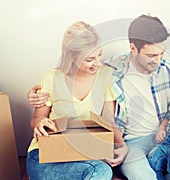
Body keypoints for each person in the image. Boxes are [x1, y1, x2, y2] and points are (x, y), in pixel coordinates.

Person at [28, 15, 170, 179]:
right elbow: (71, 84)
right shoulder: (112, 72)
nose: (159, 60)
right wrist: (35, 97)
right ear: (133, 48)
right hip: (135, 142)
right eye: (152, 55)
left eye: (162, 53)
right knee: (139, 173)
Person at [26, 21, 114, 180]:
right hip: (44, 156)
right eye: (89, 59)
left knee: (100, 171)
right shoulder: (51, 78)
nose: (98, 63)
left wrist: (119, 147)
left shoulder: (106, 76)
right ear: (71, 56)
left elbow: (109, 122)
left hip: (84, 155)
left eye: (99, 55)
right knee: (99, 172)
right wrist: (40, 123)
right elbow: (36, 119)